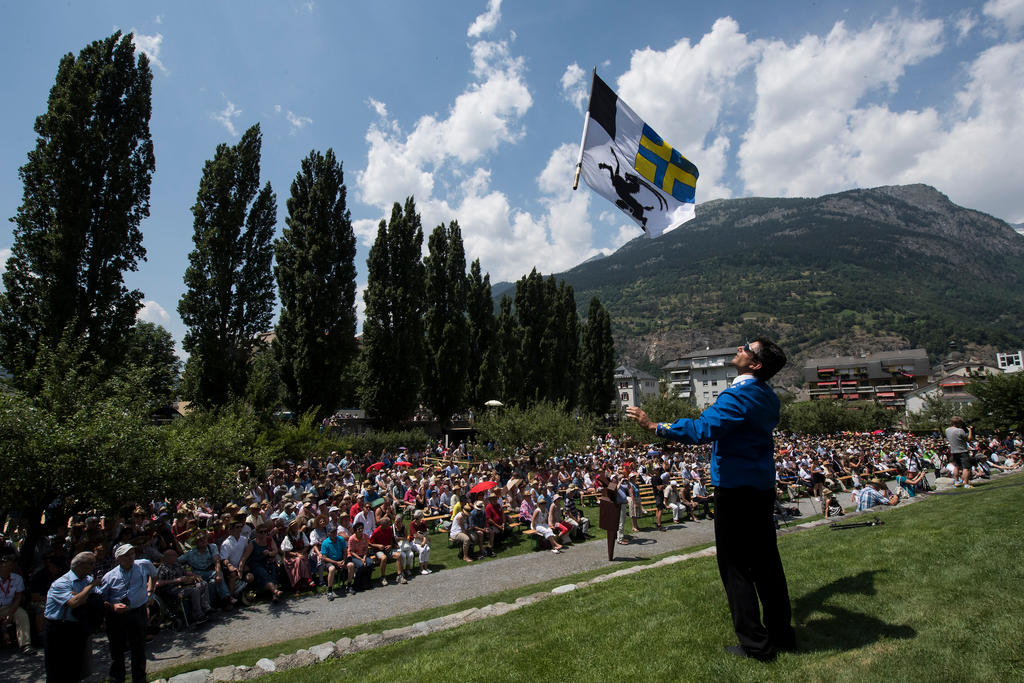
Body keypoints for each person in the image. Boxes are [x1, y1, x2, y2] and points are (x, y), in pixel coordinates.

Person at [627, 338, 796, 662]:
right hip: (761, 486)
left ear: (756, 364)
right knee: (767, 565)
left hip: (735, 488)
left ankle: (756, 646)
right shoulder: (768, 397)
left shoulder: (739, 396)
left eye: (747, 347)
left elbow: (701, 429)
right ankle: (782, 635)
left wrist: (654, 426)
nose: (740, 348)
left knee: (735, 567)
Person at [98, 543, 158, 683]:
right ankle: (118, 678)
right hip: (117, 616)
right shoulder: (110, 577)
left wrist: (151, 591)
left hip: (138, 611)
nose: (130, 558)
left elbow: (154, 575)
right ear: (118, 559)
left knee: (138, 648)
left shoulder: (143, 564)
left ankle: (139, 678)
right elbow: (101, 598)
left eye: (132, 554)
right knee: (117, 650)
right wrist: (112, 606)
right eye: (126, 556)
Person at [44, 551, 101, 682]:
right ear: (79, 565)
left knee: (75, 669)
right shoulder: (62, 583)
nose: (93, 567)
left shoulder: (87, 579)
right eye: (91, 564)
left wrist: (82, 594)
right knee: (56, 671)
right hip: (58, 628)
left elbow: (96, 598)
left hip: (77, 627)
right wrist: (90, 587)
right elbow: (73, 602)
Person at [0, 553, 32, 654]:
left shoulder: (17, 578)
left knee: (22, 614)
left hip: (10, 606)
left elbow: (18, 597)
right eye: (6, 565)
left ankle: (25, 644)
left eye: (11, 565)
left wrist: (10, 613)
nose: (9, 568)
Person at [945, 417, 974, 488]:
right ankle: (966, 483)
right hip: (962, 451)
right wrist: (970, 430)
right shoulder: (959, 431)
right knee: (966, 468)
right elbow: (969, 439)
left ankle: (956, 481)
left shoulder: (947, 430)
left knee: (956, 467)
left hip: (954, 451)